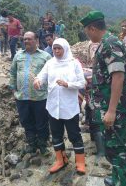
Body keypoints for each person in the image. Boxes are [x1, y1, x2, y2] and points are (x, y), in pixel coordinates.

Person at [81, 11, 126, 186]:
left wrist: (111, 111)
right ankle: (117, 177)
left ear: (93, 28)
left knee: (119, 147)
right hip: (108, 108)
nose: (87, 35)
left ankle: (125, 182)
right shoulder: (106, 43)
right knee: (112, 146)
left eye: (87, 31)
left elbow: (118, 76)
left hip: (116, 109)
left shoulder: (111, 44)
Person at [33, 38, 86, 175]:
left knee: (74, 135)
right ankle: (60, 160)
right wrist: (37, 81)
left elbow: (82, 83)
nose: (56, 51)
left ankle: (80, 162)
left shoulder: (74, 63)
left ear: (65, 49)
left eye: (59, 48)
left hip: (69, 107)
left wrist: (68, 84)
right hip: (53, 106)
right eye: (54, 48)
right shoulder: (50, 63)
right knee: (56, 135)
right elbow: (41, 76)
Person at [10, 32, 52, 156]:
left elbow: (51, 75)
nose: (26, 41)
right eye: (24, 39)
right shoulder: (18, 55)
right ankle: (32, 144)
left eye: (29, 39)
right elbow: (12, 73)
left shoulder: (45, 56)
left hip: (40, 97)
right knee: (26, 121)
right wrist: (13, 90)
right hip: (22, 97)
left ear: (36, 40)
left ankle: (43, 144)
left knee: (42, 122)